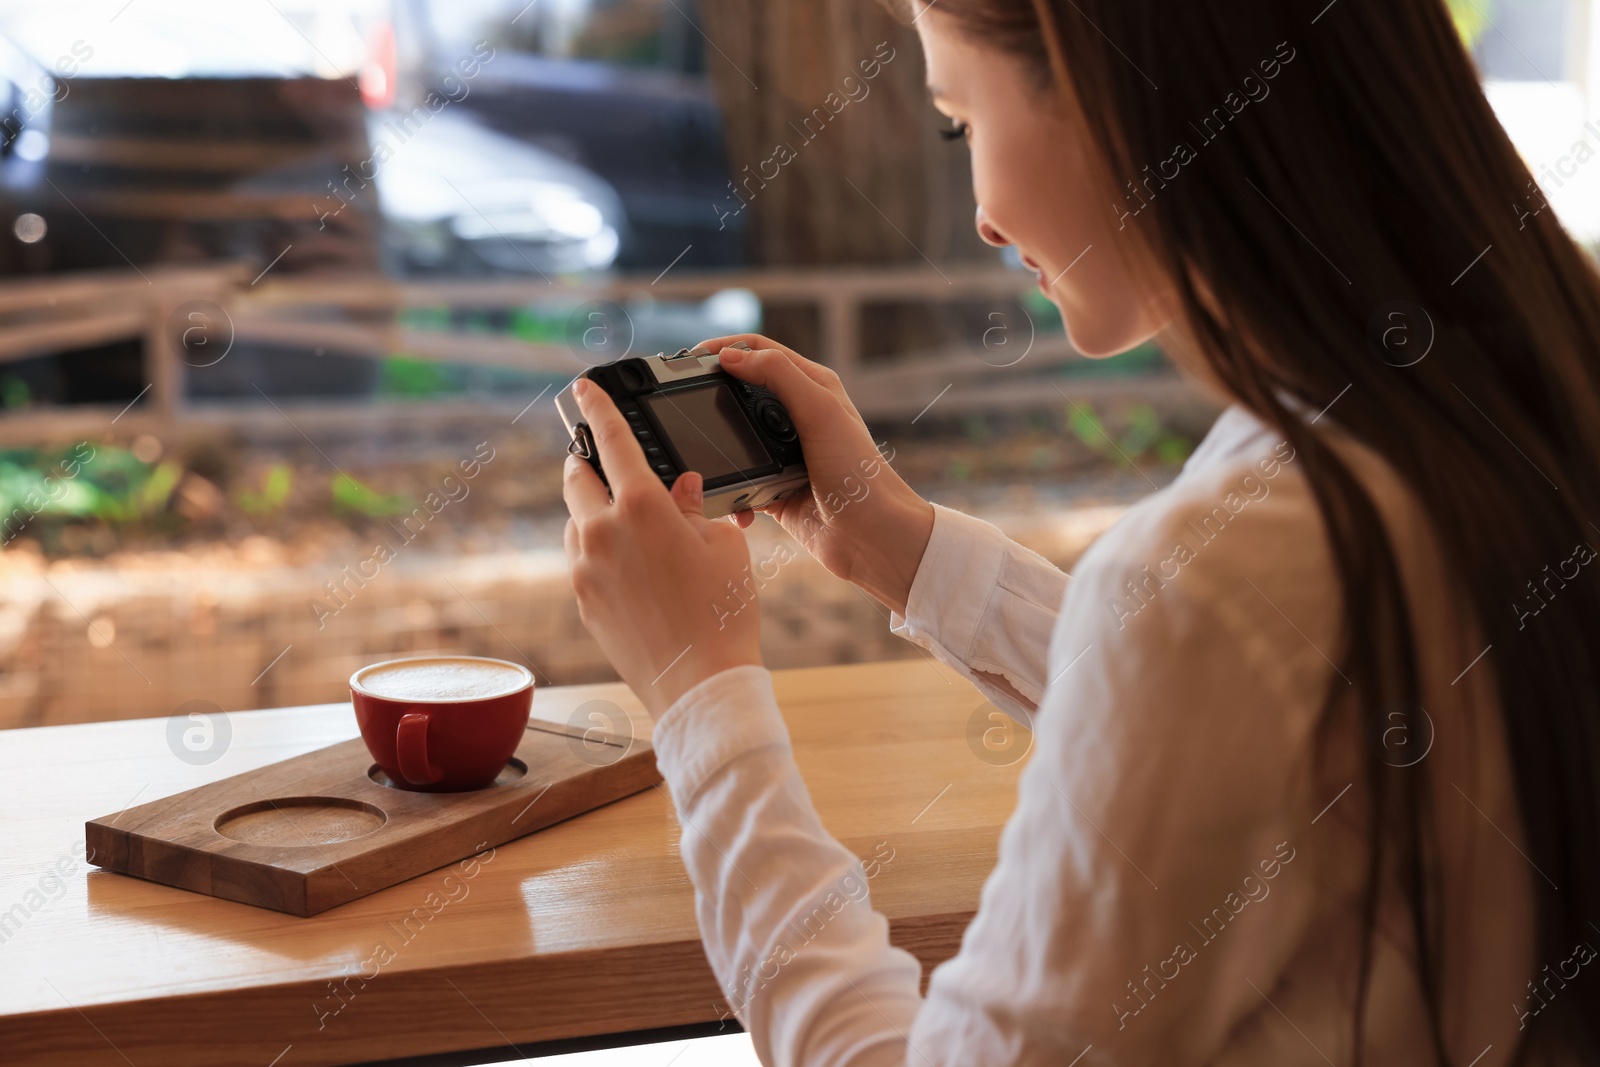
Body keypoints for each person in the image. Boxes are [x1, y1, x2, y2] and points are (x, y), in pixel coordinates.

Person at [561, 0, 1600, 1062]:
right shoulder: (1507, 390)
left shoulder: (1239, 561)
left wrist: (700, 695)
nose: (980, 219)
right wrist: (902, 550)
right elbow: (1253, 703)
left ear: (1106, 93)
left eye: (960, 121)